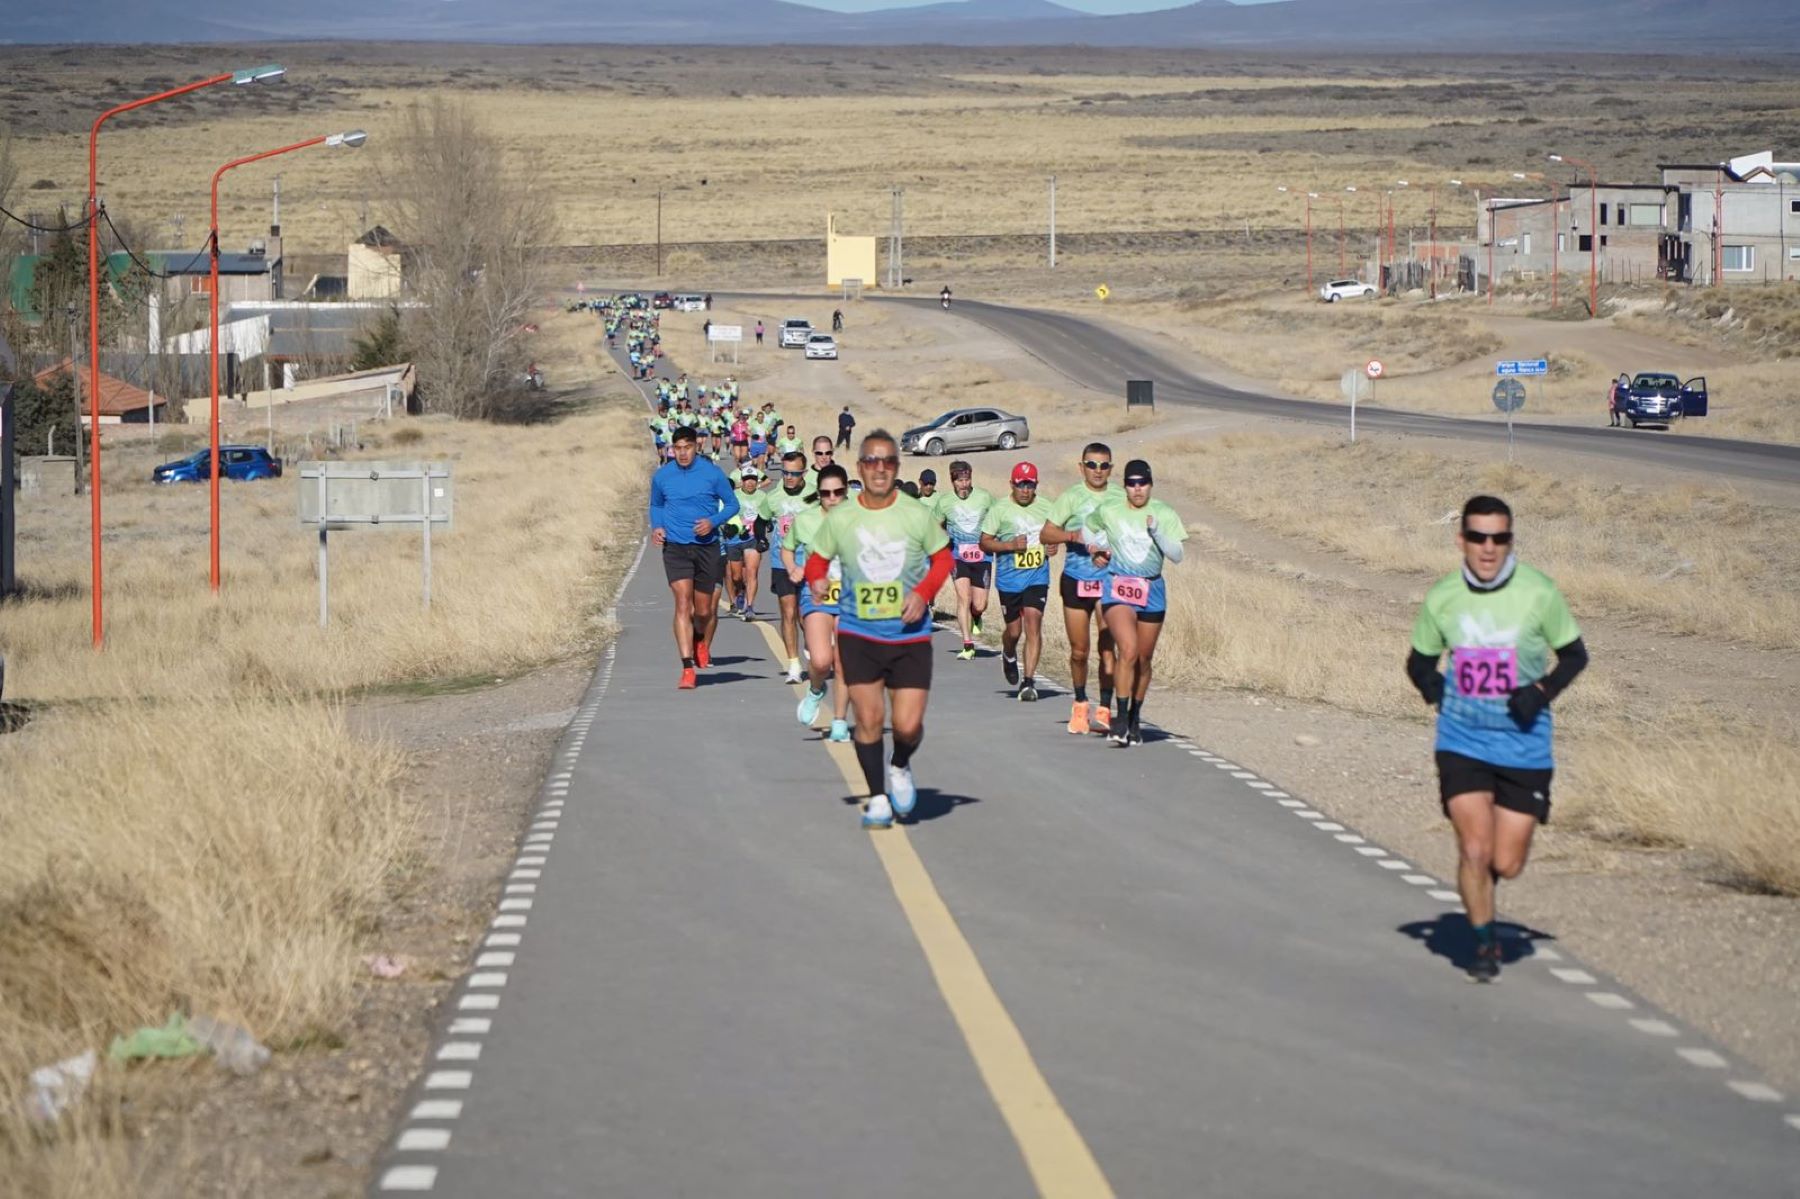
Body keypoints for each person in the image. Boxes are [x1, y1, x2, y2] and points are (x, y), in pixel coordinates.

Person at [1405, 495, 1588, 983]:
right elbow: (1419, 662)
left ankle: (1487, 898)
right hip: (1462, 738)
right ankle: (1484, 945)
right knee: (1475, 851)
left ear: (1510, 541)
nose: (1489, 549)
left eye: (1500, 538)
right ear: (1461, 540)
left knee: (1505, 863)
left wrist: (1541, 692)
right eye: (1479, 537)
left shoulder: (1539, 593)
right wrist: (1436, 689)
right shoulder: (1443, 596)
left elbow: (1574, 656)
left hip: (1523, 742)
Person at [802, 431, 953, 829]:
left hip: (910, 635)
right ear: (861, 468)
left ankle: (900, 764)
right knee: (868, 720)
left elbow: (943, 559)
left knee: (907, 725)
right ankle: (878, 797)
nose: (880, 468)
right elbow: (817, 560)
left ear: (897, 468)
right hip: (858, 634)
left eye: (888, 461)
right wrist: (816, 580)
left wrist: (923, 593)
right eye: (872, 461)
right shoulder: (843, 517)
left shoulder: (916, 514)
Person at [1087, 459, 1186, 747]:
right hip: (1118, 587)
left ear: (1150, 484)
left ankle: (1134, 716)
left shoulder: (1164, 513)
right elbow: (1088, 528)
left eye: (1142, 483)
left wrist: (1157, 533)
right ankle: (1118, 719)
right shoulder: (1110, 509)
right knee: (1127, 650)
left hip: (1152, 589)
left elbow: (1177, 555)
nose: (1137, 489)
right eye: (1131, 483)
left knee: (1143, 659)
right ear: (1125, 486)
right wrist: (1096, 548)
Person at [1040, 443, 1125, 736]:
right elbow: (1046, 533)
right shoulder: (1071, 496)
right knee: (1079, 651)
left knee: (1107, 649)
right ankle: (1079, 703)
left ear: (1111, 469)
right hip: (1076, 580)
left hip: (1108, 583)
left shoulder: (1120, 497)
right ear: (1081, 467)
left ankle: (1104, 709)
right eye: (1092, 465)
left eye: (1104, 466)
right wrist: (1072, 536)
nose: (1098, 471)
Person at [649, 426, 739, 689]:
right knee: (682, 604)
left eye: (687, 447)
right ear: (671, 449)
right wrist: (657, 526)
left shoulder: (712, 474)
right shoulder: (662, 475)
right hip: (676, 547)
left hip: (706, 546)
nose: (682, 453)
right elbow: (656, 504)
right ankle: (687, 667)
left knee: (703, 611)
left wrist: (713, 521)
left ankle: (700, 638)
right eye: (677, 448)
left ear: (696, 447)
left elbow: (733, 504)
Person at [787, 463, 854, 744]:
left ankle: (839, 721)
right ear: (819, 494)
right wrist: (792, 568)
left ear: (846, 491)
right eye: (826, 493)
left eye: (838, 492)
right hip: (816, 596)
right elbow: (787, 547)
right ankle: (815, 690)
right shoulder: (805, 520)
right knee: (822, 660)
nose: (833, 498)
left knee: (844, 663)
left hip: (851, 598)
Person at [979, 462, 1057, 701]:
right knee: (1014, 631)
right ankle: (1009, 653)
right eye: (1021, 485)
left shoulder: (1046, 507)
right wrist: (1009, 546)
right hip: (1009, 581)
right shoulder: (999, 510)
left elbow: (1056, 532)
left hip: (1037, 576)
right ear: (1012, 484)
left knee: (1033, 622)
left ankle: (1028, 681)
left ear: (1036, 486)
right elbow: (984, 542)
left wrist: (1053, 544)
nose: (1025, 490)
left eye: (1030, 485)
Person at [763, 451, 818, 684]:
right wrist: (760, 538)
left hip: (810, 562)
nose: (788, 477)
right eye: (785, 473)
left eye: (794, 473)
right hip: (781, 561)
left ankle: (814, 646)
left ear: (804, 473)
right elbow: (761, 520)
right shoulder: (773, 497)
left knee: (808, 615)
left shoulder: (815, 495)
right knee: (788, 611)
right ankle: (794, 665)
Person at [933, 460, 995, 660]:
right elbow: (935, 526)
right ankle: (968, 644)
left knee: (980, 604)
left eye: (967, 480)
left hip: (982, 556)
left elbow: (997, 518)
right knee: (963, 598)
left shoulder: (985, 497)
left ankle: (976, 616)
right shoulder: (944, 502)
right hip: (957, 556)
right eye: (960, 481)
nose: (964, 485)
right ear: (952, 481)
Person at [721, 467, 767, 620]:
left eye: (753, 479)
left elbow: (768, 514)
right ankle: (740, 592)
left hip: (753, 538)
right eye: (747, 479)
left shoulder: (762, 497)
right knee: (736, 577)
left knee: (752, 573)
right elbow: (724, 514)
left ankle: (749, 607)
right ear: (741, 481)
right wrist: (727, 527)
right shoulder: (733, 496)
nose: (750, 483)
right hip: (734, 540)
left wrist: (769, 524)